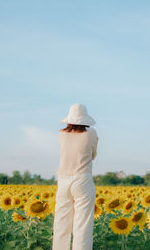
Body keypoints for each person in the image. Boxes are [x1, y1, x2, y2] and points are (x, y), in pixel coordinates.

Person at [52, 103, 99, 250]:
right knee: (82, 226)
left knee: (61, 224)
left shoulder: (61, 134)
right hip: (82, 179)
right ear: (85, 120)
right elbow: (93, 155)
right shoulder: (91, 134)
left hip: (63, 180)